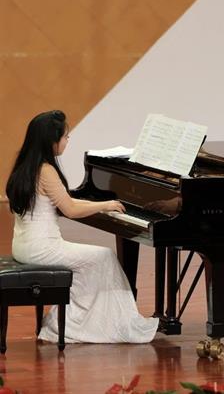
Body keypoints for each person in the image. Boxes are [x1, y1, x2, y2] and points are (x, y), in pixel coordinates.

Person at [6, 110, 158, 343]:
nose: (67, 140)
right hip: (42, 250)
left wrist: (100, 205)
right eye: (65, 136)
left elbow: (66, 201)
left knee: (91, 261)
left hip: (22, 247)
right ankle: (93, 324)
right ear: (51, 140)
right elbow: (70, 209)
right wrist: (104, 205)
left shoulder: (25, 166)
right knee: (105, 257)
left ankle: (83, 317)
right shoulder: (46, 171)